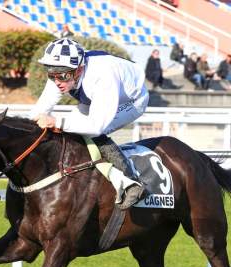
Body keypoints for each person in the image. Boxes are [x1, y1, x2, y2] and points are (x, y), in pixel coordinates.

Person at [29, 38, 148, 209]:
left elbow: (96, 126)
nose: (57, 81)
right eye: (51, 75)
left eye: (62, 76)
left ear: (79, 70)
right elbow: (38, 111)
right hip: (93, 98)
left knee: (91, 132)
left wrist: (57, 121)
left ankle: (131, 182)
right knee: (70, 128)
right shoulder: (62, 71)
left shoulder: (103, 76)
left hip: (132, 101)